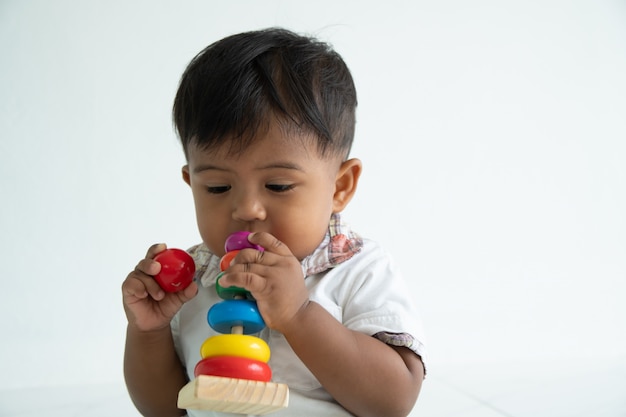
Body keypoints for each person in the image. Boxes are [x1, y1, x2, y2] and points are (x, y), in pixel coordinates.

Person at [122, 27, 427, 417]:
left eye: (278, 185)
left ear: (340, 185)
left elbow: (393, 401)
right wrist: (148, 332)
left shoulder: (358, 270)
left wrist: (299, 315)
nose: (247, 209)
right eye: (217, 187)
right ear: (191, 182)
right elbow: (164, 409)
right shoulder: (191, 282)